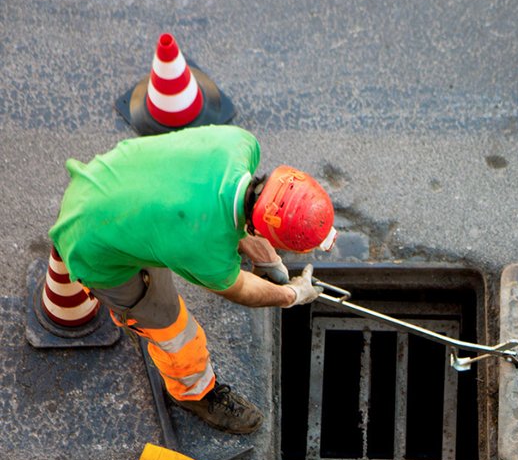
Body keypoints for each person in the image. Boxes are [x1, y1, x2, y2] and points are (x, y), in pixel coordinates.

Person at [49, 125, 334, 435]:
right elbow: (239, 289)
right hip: (90, 242)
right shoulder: (202, 248)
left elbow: (232, 207)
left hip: (107, 183)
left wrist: (270, 262)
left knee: (203, 228)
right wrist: (291, 295)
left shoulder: (240, 144)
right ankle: (194, 392)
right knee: (172, 329)